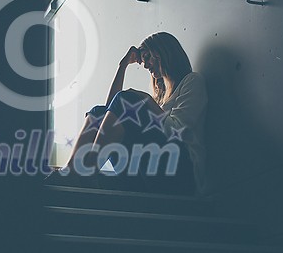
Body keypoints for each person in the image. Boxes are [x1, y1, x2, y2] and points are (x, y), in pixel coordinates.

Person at [48, 32, 208, 196]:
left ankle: (87, 172)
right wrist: (122, 66)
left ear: (162, 52)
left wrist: (145, 100)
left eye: (147, 57)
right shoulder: (159, 99)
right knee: (99, 112)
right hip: (151, 170)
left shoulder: (192, 81)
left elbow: (178, 131)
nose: (145, 65)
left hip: (183, 175)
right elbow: (110, 110)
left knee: (128, 100)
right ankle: (71, 172)